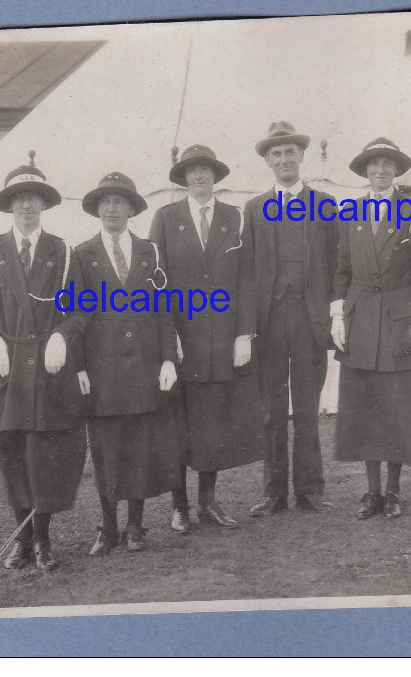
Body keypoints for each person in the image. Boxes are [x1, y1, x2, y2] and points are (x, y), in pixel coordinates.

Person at [0, 157, 87, 571]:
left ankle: (44, 541)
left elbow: (80, 311)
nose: (26, 206)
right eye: (19, 199)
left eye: (33, 198)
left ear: (43, 205)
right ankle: (22, 541)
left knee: (43, 456)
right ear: (9, 205)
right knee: (11, 455)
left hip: (47, 372)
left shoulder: (63, 253)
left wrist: (61, 337)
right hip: (5, 371)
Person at [149, 145, 265, 533]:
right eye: (191, 173)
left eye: (205, 172)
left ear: (215, 177)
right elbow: (157, 287)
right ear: (183, 179)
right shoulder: (166, 219)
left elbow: (247, 279)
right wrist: (168, 344)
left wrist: (244, 334)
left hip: (220, 340)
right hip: (182, 342)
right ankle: (179, 506)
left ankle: (208, 502)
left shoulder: (235, 217)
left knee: (213, 425)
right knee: (179, 424)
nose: (198, 178)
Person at [74, 172, 183, 554]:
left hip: (143, 367)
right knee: (106, 448)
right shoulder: (82, 255)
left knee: (140, 446)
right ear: (96, 210)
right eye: (105, 202)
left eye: (119, 202)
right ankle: (107, 527)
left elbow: (164, 311)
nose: (111, 209)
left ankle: (135, 526)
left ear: (131, 209)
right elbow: (75, 317)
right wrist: (80, 368)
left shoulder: (149, 252)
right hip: (102, 371)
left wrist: (168, 359)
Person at [330, 137, 411, 519]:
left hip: (397, 320)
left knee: (395, 408)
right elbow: (341, 269)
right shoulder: (349, 212)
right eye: (374, 165)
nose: (381, 170)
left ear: (396, 171)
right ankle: (371, 491)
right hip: (360, 321)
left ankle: (393, 491)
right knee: (364, 408)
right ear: (365, 171)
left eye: (388, 164)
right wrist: (337, 314)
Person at [244, 122, 337, 516]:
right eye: (276, 154)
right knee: (271, 410)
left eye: (290, 153)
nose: (284, 160)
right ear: (268, 161)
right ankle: (273, 492)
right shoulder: (253, 208)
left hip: (309, 319)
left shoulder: (326, 204)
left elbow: (337, 265)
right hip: (268, 323)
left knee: (306, 407)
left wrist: (333, 315)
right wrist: (248, 327)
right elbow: (247, 272)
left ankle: (310, 490)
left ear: (302, 157)